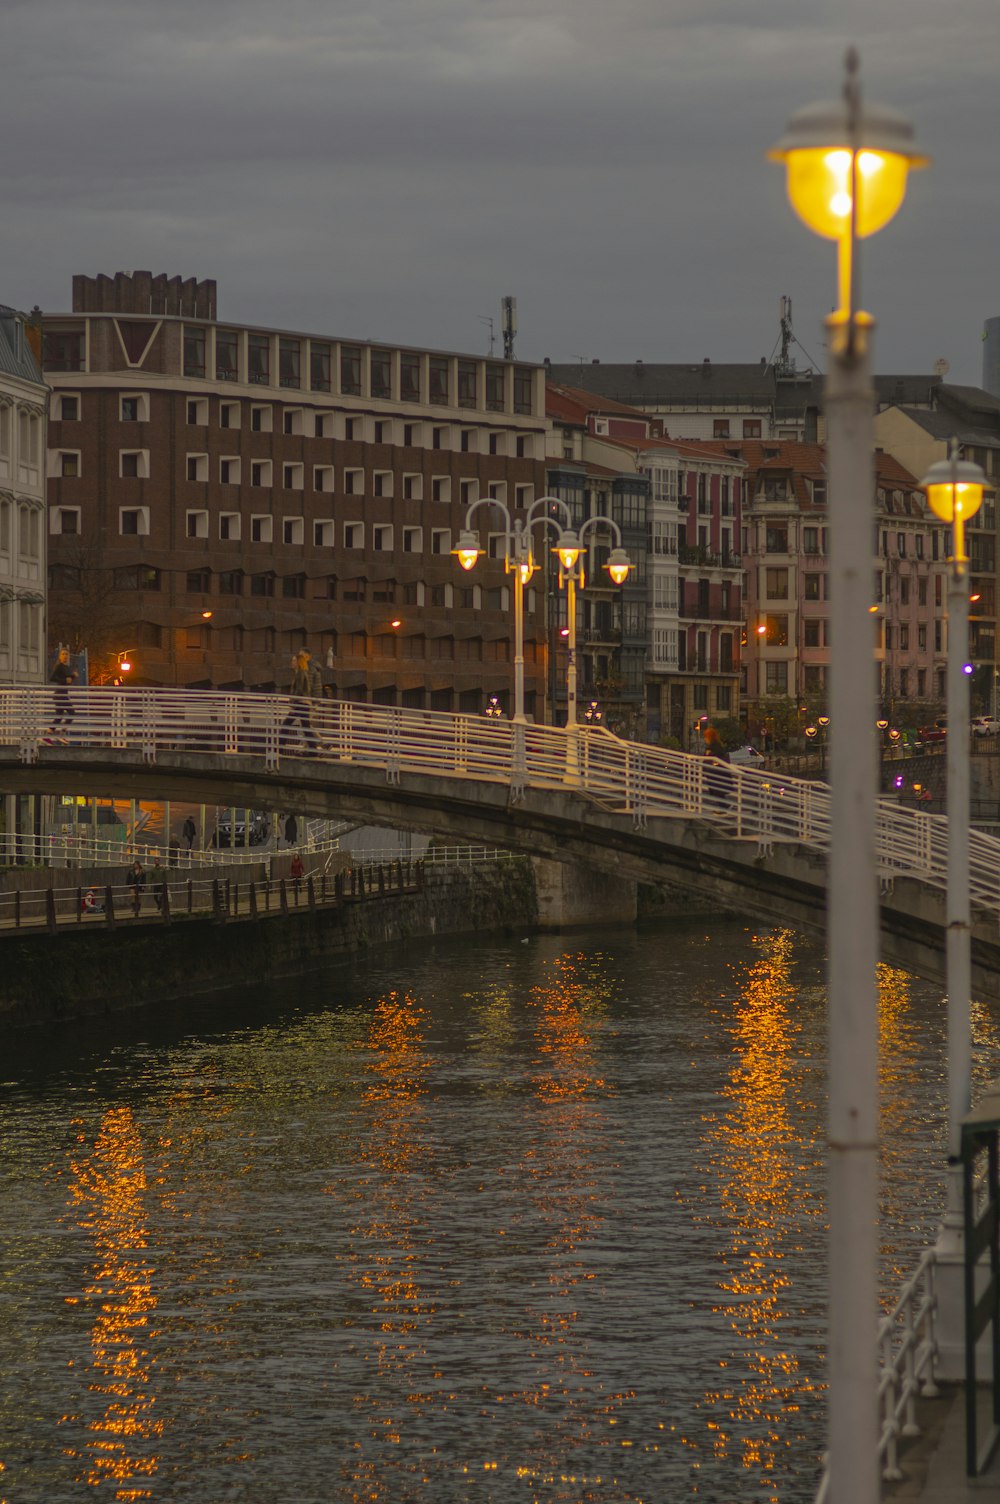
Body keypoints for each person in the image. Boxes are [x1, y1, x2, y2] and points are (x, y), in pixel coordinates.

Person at [281, 649, 322, 753]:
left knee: (287, 724)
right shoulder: (301, 672)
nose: (292, 662)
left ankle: (279, 748)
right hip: (303, 704)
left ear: (298, 663)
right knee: (306, 727)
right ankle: (313, 750)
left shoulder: (300, 673)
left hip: (300, 704)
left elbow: (299, 690)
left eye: (294, 661)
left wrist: (293, 704)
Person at [49, 647, 77, 739]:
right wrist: (65, 679)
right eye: (63, 654)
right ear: (60, 657)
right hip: (60, 694)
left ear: (69, 656)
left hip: (63, 694)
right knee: (72, 713)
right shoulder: (59, 666)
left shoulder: (66, 667)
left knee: (59, 717)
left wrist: (73, 676)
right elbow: (52, 678)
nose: (65, 656)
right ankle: (62, 734)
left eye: (66, 654)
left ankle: (47, 737)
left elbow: (68, 681)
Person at [702, 725, 732, 813]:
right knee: (718, 792)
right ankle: (724, 807)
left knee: (717, 791)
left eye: (706, 737)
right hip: (717, 774)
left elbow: (715, 756)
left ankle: (724, 807)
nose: (705, 739)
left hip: (716, 774)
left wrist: (709, 754)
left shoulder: (714, 747)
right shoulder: (716, 745)